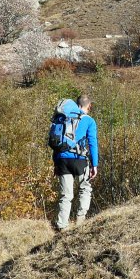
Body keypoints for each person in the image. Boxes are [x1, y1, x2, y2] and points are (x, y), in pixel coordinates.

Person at [53, 95, 99, 230]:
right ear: (88, 106)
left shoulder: (62, 118)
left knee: (65, 195)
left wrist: (56, 162)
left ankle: (62, 226)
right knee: (85, 188)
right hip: (79, 160)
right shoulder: (89, 120)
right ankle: (80, 222)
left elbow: (56, 142)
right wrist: (94, 164)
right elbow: (92, 143)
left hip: (62, 159)